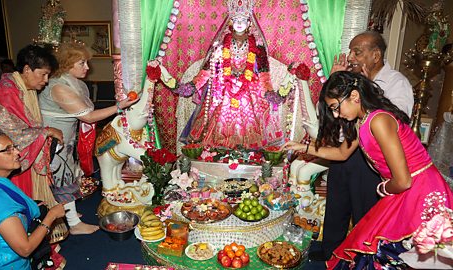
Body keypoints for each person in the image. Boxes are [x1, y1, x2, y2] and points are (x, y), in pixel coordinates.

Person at [282, 71, 453, 268]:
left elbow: (404, 180)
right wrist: (303, 147)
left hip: (420, 191)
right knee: (378, 250)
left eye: (336, 107)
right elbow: (341, 153)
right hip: (402, 189)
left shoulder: (379, 120)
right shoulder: (361, 122)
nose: (337, 115)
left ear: (354, 96)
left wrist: (383, 189)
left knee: (410, 255)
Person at [308, 31, 415, 261]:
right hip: (343, 151)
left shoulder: (397, 82)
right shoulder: (349, 81)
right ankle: (331, 257)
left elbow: (397, 121)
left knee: (364, 216)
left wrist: (369, 87)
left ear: (375, 55)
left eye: (357, 51)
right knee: (335, 210)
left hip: (370, 162)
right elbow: (327, 116)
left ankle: (359, 260)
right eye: (350, 51)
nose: (351, 57)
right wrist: (333, 83)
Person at [39, 42, 136, 235]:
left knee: (69, 175)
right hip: (53, 143)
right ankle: (74, 224)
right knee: (62, 178)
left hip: (66, 139)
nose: (87, 67)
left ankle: (67, 211)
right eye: (82, 63)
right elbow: (88, 116)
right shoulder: (59, 87)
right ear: (67, 65)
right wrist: (120, 106)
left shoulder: (73, 83)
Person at [172, 0, 282, 149]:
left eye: (243, 20)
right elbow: (206, 71)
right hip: (223, 92)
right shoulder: (220, 47)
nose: (239, 23)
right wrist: (191, 86)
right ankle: (218, 154)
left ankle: (246, 156)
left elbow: (264, 75)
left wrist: (270, 93)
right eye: (236, 20)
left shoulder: (258, 49)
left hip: (249, 93)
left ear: (249, 23)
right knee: (217, 126)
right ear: (231, 21)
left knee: (251, 126)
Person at [0, 45, 63, 202]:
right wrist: (46, 131)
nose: (46, 80)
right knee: (12, 204)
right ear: (27, 69)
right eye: (43, 74)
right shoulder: (5, 93)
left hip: (10, 156)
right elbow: (12, 135)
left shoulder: (21, 88)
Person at [0, 132, 65, 269]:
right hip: (0, 263)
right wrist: (51, 216)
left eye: (14, 147)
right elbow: (25, 249)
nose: (18, 152)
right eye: (8, 150)